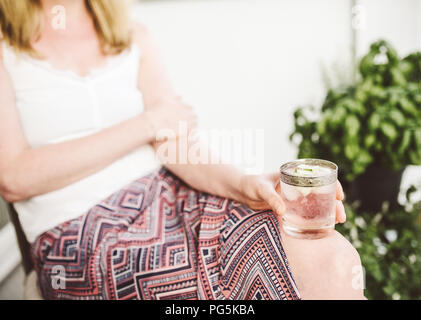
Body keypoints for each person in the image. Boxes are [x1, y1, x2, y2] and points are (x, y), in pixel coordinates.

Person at [0, 0, 365, 300]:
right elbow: (13, 177)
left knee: (332, 260)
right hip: (81, 238)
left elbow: (175, 143)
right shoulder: (5, 45)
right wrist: (146, 124)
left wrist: (244, 185)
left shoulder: (132, 35)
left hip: (171, 197)